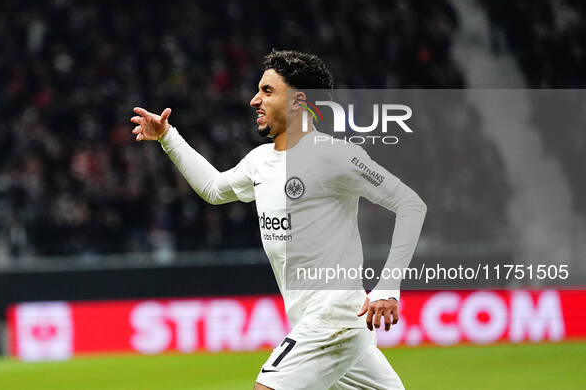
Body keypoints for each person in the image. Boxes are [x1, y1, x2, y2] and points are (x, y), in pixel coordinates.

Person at [131, 50, 426, 390]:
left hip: (334, 316)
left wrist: (388, 287)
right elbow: (214, 189)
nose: (255, 100)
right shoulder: (260, 162)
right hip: (325, 322)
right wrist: (168, 137)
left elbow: (410, 204)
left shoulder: (335, 155)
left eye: (268, 91)